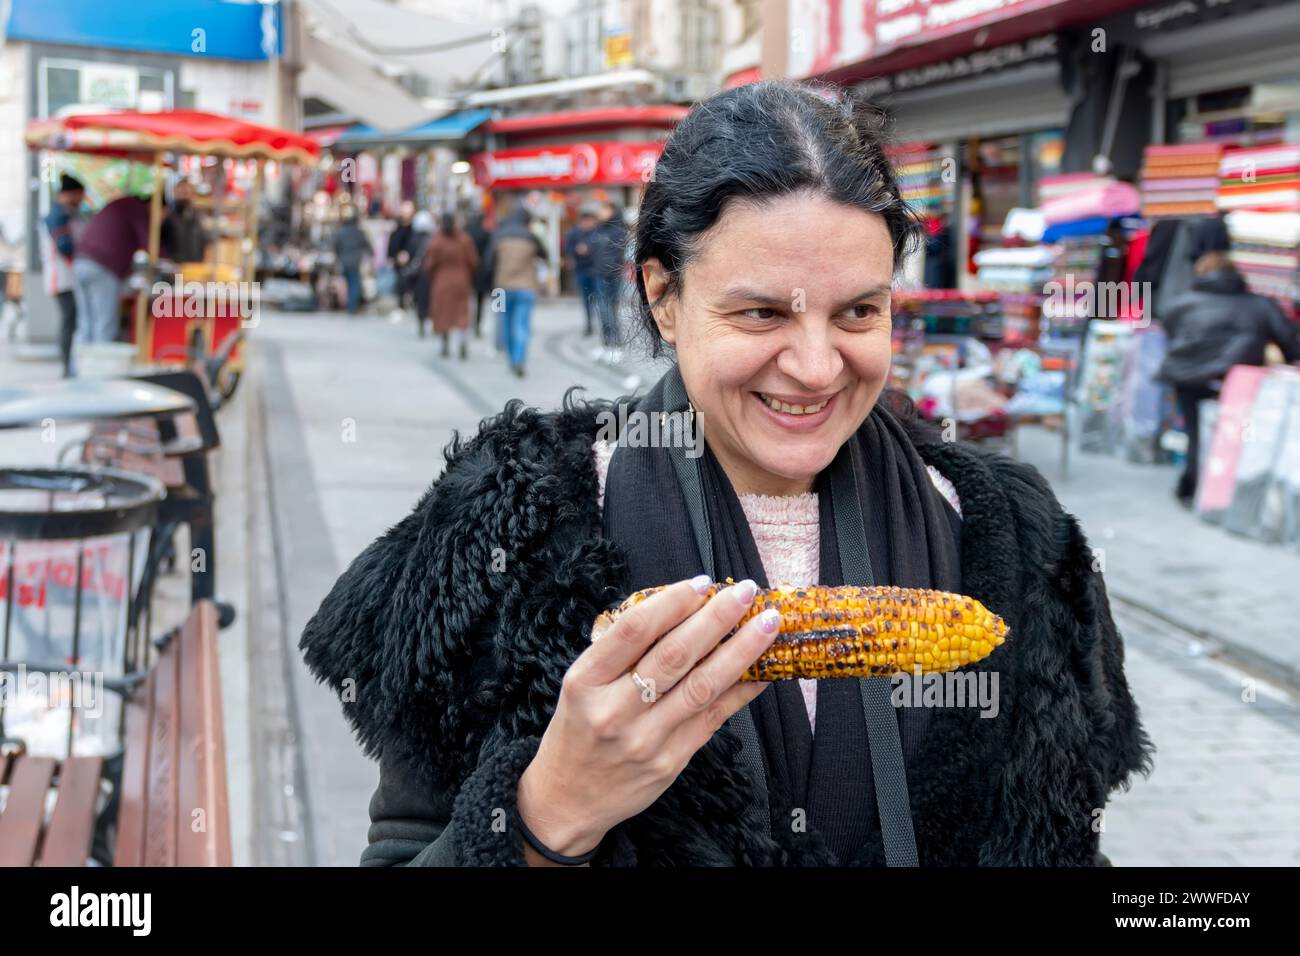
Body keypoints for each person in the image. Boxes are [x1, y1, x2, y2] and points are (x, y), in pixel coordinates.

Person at [300, 81, 1152, 867]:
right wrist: (546, 812)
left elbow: (1067, 843)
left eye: (859, 310)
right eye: (761, 312)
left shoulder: (1014, 538)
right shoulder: (505, 529)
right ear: (664, 298)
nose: (818, 367)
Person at [1156, 249, 1300, 506]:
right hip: (1237, 381)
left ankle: (1191, 486)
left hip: (1190, 377)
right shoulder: (1261, 305)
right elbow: (1291, 342)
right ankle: (1220, 492)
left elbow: (1170, 331)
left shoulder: (1181, 303)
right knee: (1235, 436)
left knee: (1195, 431)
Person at [72, 194, 157, 354]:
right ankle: (100, 375)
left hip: (81, 262)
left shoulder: (120, 205)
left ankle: (77, 373)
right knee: (104, 326)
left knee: (85, 325)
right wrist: (168, 260)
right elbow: (150, 244)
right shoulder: (138, 209)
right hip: (103, 267)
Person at [482, 206, 546, 377]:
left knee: (503, 322)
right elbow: (545, 255)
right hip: (526, 287)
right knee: (522, 324)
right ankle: (519, 358)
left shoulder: (498, 235)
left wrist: (489, 285)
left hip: (500, 288)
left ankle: (510, 357)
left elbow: (488, 263)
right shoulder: (531, 236)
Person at [41, 173, 86, 376]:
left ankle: (69, 365)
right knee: (70, 321)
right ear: (70, 194)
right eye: (79, 196)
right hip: (62, 277)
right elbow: (65, 246)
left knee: (71, 320)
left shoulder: (65, 214)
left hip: (68, 277)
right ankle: (67, 366)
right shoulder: (57, 216)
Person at [422, 212, 480, 360]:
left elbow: (430, 264)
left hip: (442, 281)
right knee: (462, 313)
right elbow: (473, 261)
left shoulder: (436, 242)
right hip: (461, 280)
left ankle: (445, 343)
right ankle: (462, 340)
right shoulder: (464, 240)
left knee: (443, 314)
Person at [589, 200, 629, 364]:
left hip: (611, 276)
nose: (601, 212)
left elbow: (617, 254)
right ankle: (605, 344)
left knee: (610, 310)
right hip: (599, 274)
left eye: (604, 208)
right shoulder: (599, 229)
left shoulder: (618, 230)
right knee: (602, 311)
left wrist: (609, 271)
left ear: (613, 210)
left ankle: (616, 345)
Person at [564, 202, 601, 337]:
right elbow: (567, 249)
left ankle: (601, 323)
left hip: (596, 270)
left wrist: (590, 248)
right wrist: (576, 250)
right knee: (586, 299)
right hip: (581, 270)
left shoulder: (597, 232)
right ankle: (589, 323)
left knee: (598, 298)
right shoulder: (574, 233)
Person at [333, 206, 372, 315]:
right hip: (355, 262)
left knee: (349, 284)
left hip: (344, 261)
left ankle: (349, 305)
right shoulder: (359, 232)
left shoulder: (341, 232)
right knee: (354, 284)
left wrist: (339, 257)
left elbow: (336, 246)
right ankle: (352, 307)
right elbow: (367, 246)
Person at [165, 179, 209, 263]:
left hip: (195, 267)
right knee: (179, 276)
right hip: (176, 267)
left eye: (187, 193)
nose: (185, 196)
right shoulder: (169, 216)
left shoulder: (199, 217)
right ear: (175, 193)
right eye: (182, 193)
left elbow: (205, 242)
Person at [465, 212, 493, 339]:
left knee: (466, 300)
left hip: (466, 271)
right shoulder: (486, 234)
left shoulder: (465, 233)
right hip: (481, 271)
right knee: (480, 300)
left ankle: (466, 324)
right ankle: (477, 325)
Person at [406, 210, 435, 336]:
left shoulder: (414, 239)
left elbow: (410, 255)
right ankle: (430, 322)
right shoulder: (432, 239)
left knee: (420, 301)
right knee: (430, 299)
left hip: (419, 275)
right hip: (429, 274)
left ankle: (421, 323)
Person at [387, 200, 416, 312]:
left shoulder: (414, 228)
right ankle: (401, 305)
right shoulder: (397, 228)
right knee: (400, 284)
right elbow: (393, 244)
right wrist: (396, 256)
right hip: (399, 263)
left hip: (413, 262)